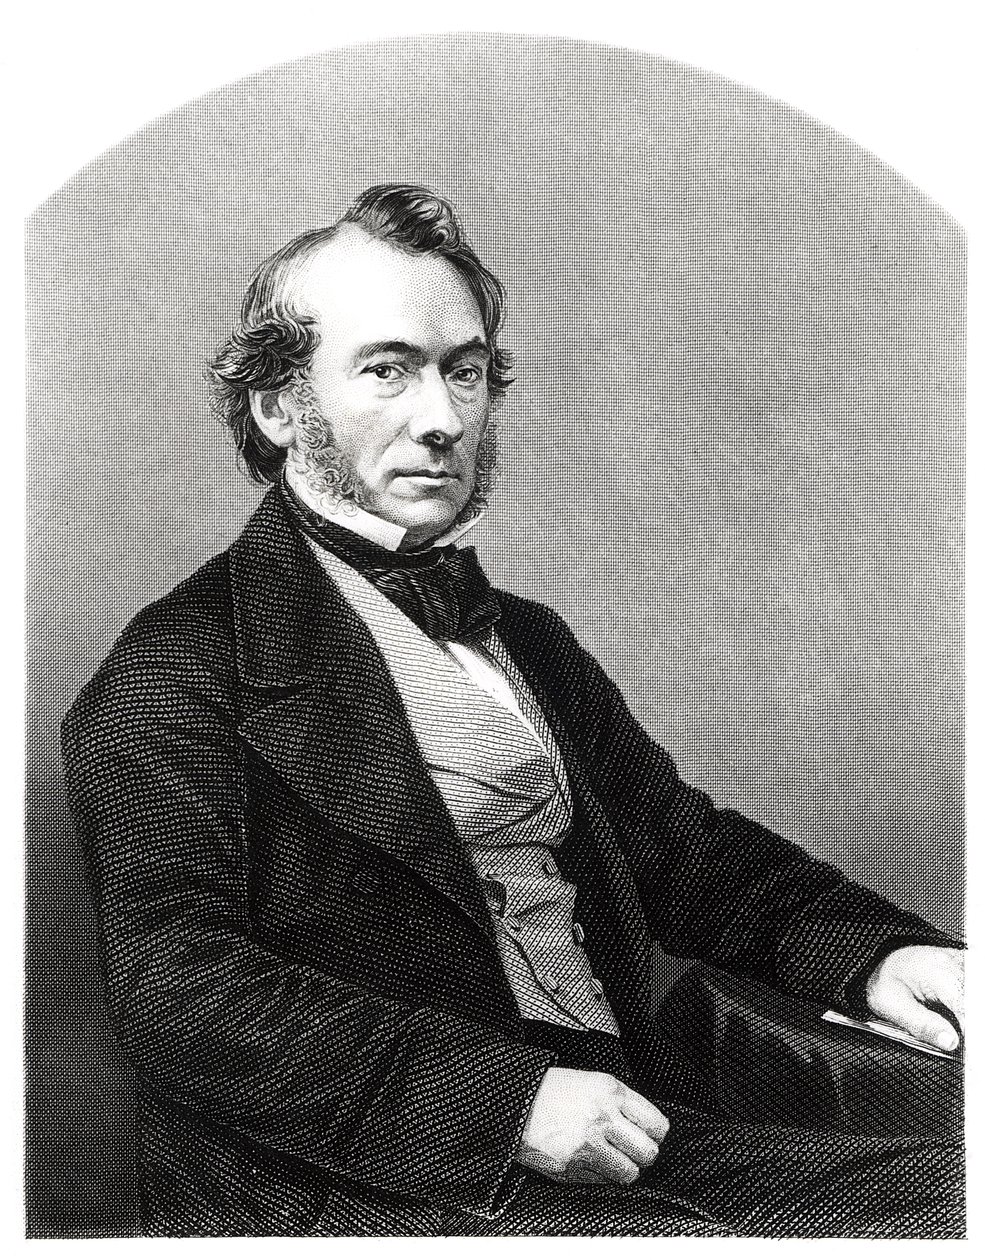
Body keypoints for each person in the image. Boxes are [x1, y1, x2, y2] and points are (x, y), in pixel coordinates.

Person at [61, 184, 964, 1238]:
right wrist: (502, 1106)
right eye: (387, 370)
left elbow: (684, 853)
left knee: (949, 1193)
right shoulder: (173, 670)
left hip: (629, 1119)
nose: (442, 419)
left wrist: (875, 956)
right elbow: (177, 989)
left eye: (464, 370)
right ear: (277, 406)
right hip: (368, 1180)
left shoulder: (526, 639)